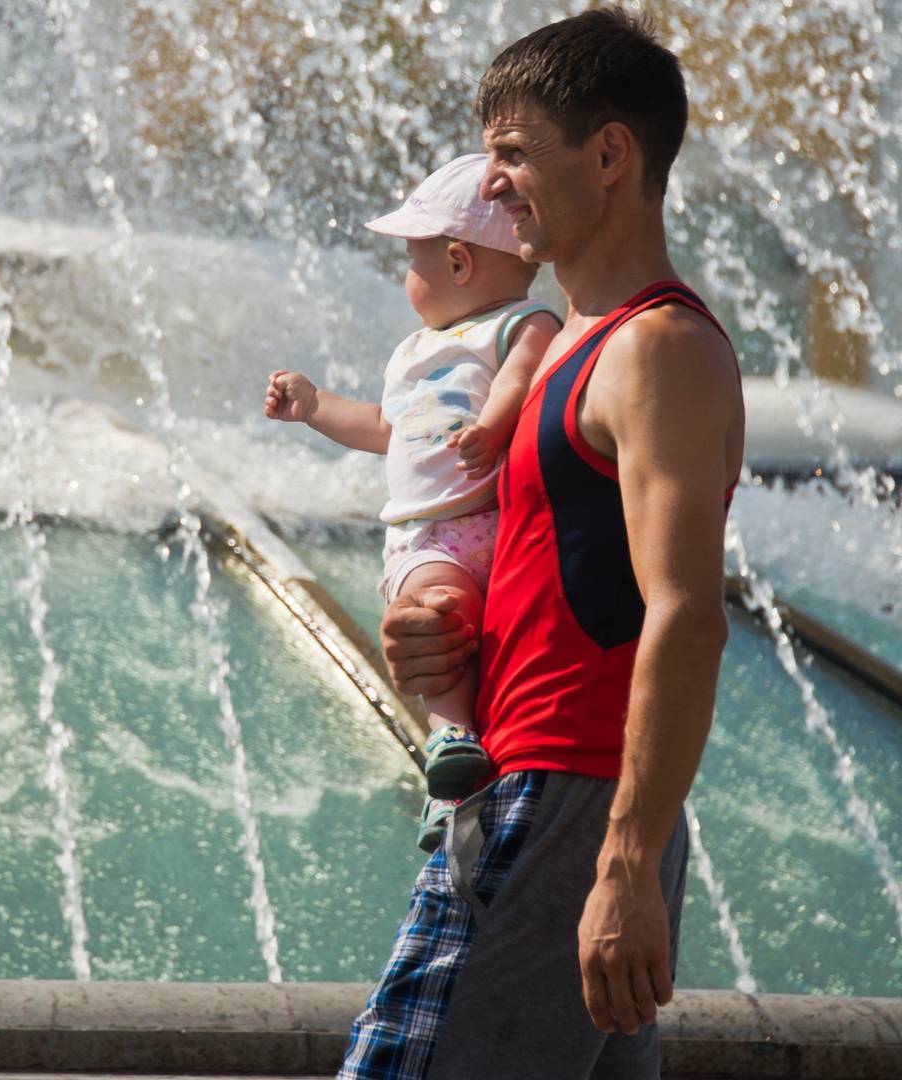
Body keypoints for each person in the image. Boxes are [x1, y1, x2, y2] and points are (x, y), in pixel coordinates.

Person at [339, 8, 744, 1078]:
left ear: (610, 155)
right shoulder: (570, 346)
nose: (495, 182)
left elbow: (686, 614)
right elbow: (558, 580)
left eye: (514, 154)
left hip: (567, 801)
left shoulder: (657, 349)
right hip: (545, 790)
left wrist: (625, 861)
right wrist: (444, 642)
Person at [264, 152, 559, 853]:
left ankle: (453, 748)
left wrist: (491, 426)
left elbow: (519, 380)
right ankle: (451, 759)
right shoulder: (414, 353)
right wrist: (315, 407)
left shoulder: (523, 323)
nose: (407, 276)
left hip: (484, 520)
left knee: (437, 623)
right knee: (433, 618)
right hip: (429, 535)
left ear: (458, 263)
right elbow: (384, 428)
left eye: (412, 259)